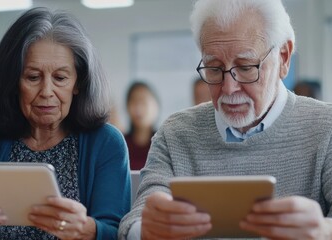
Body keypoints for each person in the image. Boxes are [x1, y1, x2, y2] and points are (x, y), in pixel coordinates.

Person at [119, 0, 332, 239]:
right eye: (214, 68)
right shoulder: (176, 133)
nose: (229, 88)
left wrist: (324, 231)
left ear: (283, 58)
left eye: (245, 67)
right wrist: (146, 229)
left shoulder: (327, 128)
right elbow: (135, 220)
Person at [0, 7, 130, 240]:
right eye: (33, 77)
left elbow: (120, 234)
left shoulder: (106, 142)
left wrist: (88, 230)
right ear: (13, 82)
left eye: (60, 78)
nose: (47, 91)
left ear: (78, 83)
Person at [124, 81, 160, 170]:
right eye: (134, 101)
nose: (138, 108)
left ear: (156, 106)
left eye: (143, 102)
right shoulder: (121, 144)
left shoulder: (163, 143)